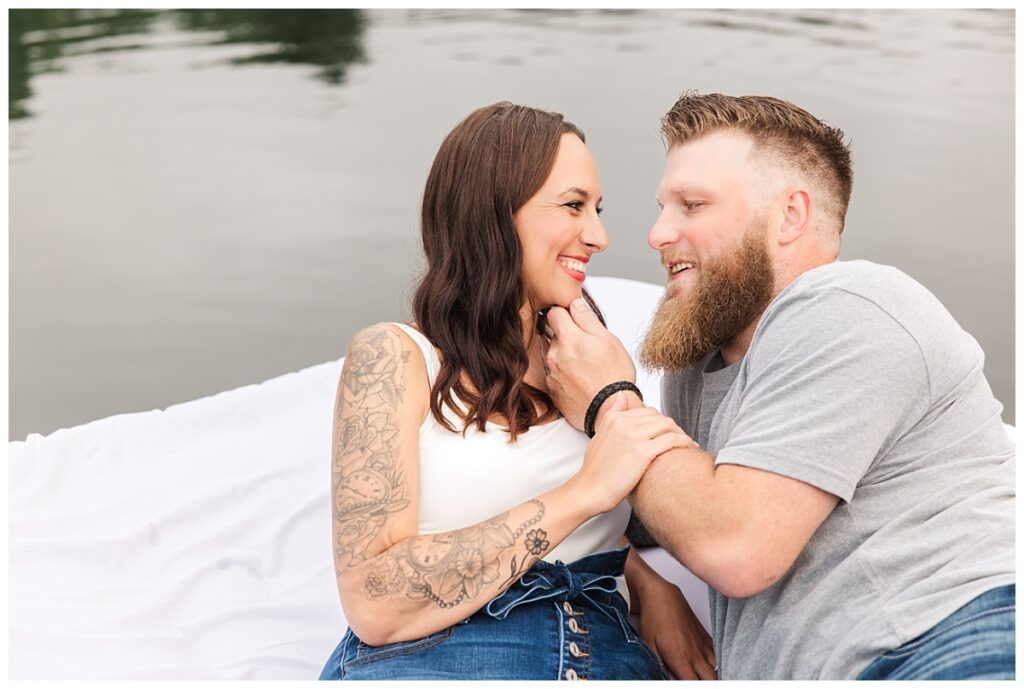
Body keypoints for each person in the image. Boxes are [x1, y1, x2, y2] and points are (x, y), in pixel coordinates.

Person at [541, 92, 1015, 680]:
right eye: (663, 206)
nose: (658, 233)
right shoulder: (699, 367)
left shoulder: (851, 303)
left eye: (692, 204)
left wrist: (609, 399)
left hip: (950, 641)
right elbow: (678, 502)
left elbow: (737, 548)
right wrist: (643, 579)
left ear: (791, 215)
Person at [319, 101, 716, 681]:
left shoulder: (584, 358)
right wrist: (586, 490)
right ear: (495, 214)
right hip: (443, 658)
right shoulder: (396, 358)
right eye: (574, 206)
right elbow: (374, 603)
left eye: (597, 210)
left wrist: (647, 583)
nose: (599, 235)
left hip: (605, 650)